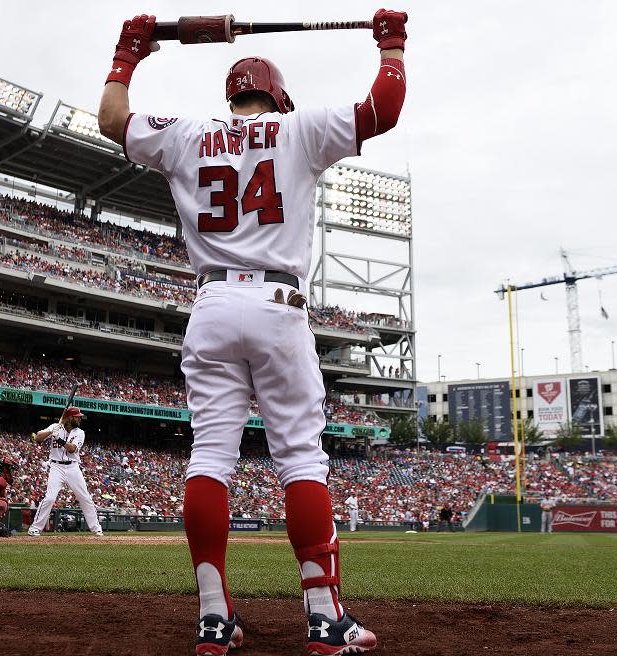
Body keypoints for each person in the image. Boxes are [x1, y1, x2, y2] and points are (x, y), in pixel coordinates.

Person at [98, 8, 407, 655]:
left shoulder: (184, 134)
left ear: (231, 96)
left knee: (210, 457)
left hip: (210, 304)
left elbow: (111, 121)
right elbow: (385, 107)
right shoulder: (297, 129)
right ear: (277, 97)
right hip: (276, 301)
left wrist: (129, 54)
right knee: (299, 457)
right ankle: (324, 618)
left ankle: (214, 617)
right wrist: (391, 44)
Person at [27, 407, 103, 537]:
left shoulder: (80, 432)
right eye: (77, 416)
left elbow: (72, 449)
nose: (79, 418)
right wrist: (51, 431)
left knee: (85, 498)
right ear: (69, 418)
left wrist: (59, 439)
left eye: (80, 416)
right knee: (50, 497)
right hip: (56, 467)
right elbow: (38, 438)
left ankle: (96, 529)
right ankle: (35, 528)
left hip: (73, 467)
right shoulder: (55, 427)